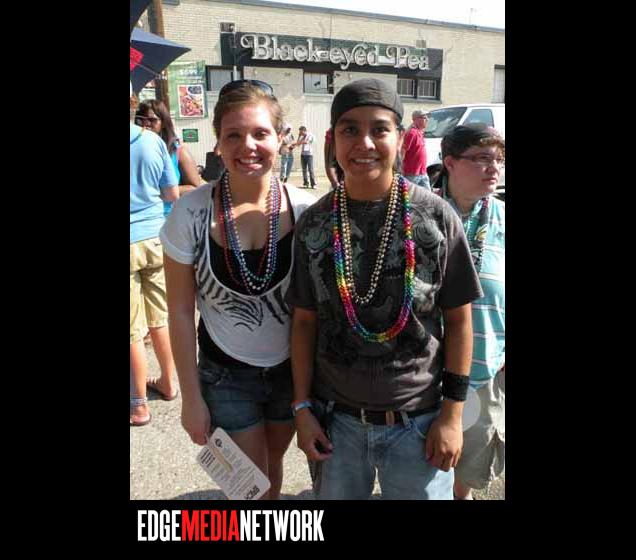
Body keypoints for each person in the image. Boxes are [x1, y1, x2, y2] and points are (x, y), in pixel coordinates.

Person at [285, 78, 483, 500]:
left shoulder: (435, 217)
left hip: (419, 421)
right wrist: (302, 409)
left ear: (400, 137)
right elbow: (303, 323)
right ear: (333, 139)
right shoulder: (315, 223)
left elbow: (459, 321)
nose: (365, 143)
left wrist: (452, 414)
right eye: (350, 130)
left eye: (379, 129)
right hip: (336, 423)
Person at [159, 80, 316, 499]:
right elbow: (179, 312)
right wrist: (190, 398)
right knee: (250, 484)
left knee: (273, 466)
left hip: (290, 371)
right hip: (225, 373)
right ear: (218, 143)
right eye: (233, 135)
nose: (248, 146)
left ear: (280, 139)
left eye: (260, 133)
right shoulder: (190, 213)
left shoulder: (305, 211)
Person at [431, 123, 505, 500]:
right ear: (450, 163)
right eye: (482, 158)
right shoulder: (422, 214)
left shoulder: (503, 219)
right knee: (425, 467)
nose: (494, 168)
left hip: (485, 368)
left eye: (499, 159)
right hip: (425, 373)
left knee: (470, 467)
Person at [130, 84, 180, 427]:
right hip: (155, 236)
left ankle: (138, 405)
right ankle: (168, 382)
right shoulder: (152, 141)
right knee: (159, 317)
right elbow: (171, 193)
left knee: (132, 328)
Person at [136, 100, 205, 216]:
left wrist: (158, 193)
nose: (145, 124)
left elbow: (195, 188)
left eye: (152, 120)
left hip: (170, 218)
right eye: (140, 119)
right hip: (138, 218)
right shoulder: (134, 149)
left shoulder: (179, 152)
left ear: (163, 123)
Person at [401, 109, 431, 190]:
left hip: (423, 172)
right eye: (424, 117)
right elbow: (402, 152)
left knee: (427, 196)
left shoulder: (420, 132)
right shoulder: (412, 133)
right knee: (410, 196)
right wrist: (400, 169)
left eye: (427, 117)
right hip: (411, 174)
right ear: (416, 119)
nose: (427, 119)